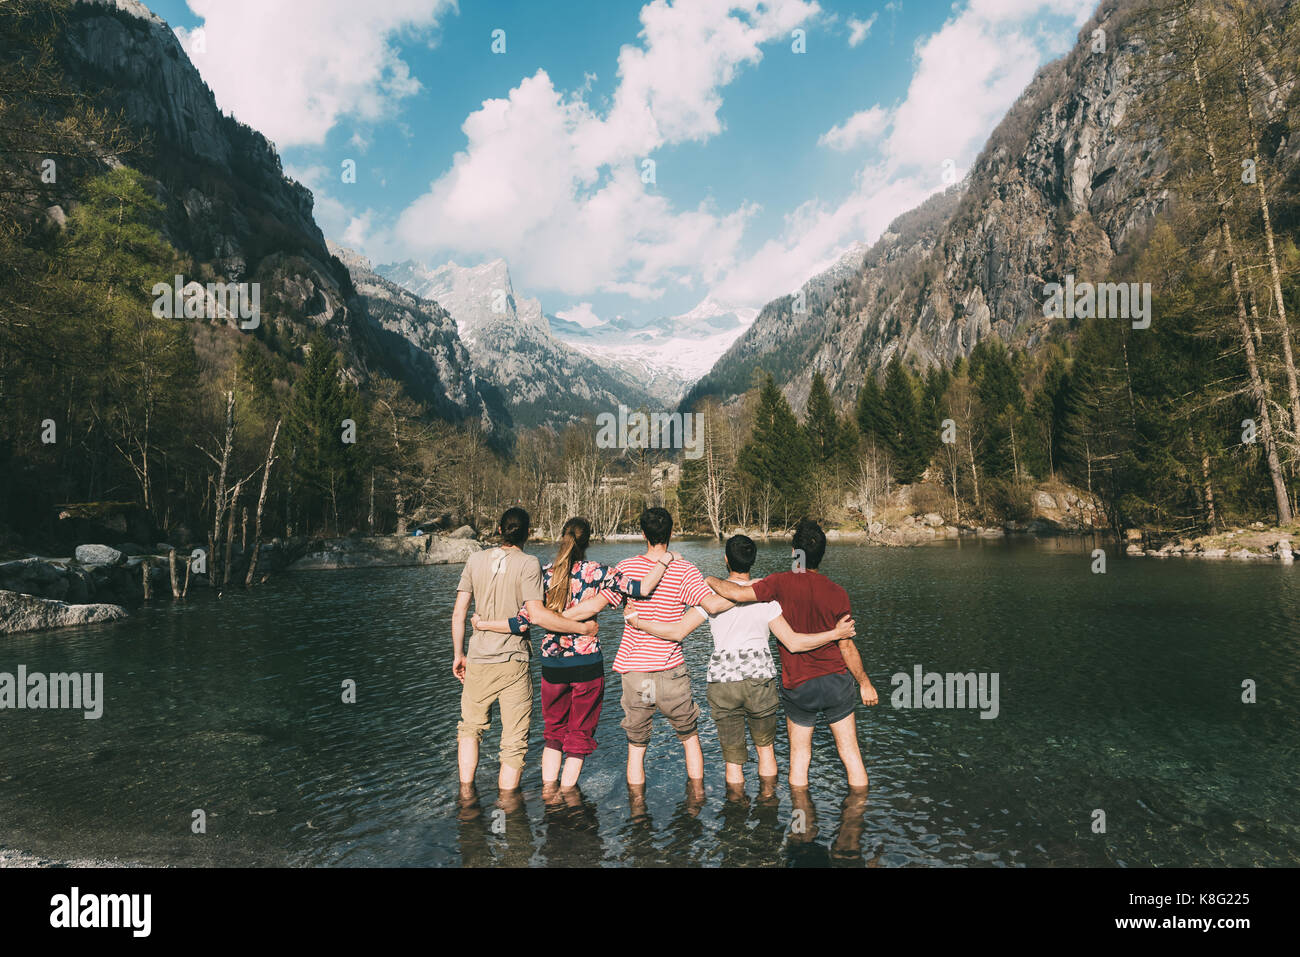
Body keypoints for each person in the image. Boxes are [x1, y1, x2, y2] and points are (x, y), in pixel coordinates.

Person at [627, 533, 856, 796]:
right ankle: (768, 804)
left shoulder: (711, 596)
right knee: (766, 751)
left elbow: (677, 631)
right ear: (753, 561)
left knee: (733, 760)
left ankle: (736, 812)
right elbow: (792, 642)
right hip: (760, 681)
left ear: (726, 559)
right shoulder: (767, 597)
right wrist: (835, 635)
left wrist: (638, 623)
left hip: (723, 684)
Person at [470, 516, 676, 792]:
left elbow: (519, 623)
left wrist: (482, 624)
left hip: (552, 664)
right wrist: (665, 560)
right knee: (579, 734)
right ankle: (566, 793)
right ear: (588, 541)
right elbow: (643, 588)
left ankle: (547, 791)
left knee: (554, 734)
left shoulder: (542, 574)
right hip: (586, 664)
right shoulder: (598, 572)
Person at [706, 519, 878, 791]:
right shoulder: (838, 593)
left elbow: (734, 592)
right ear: (822, 554)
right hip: (836, 682)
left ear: (794, 553)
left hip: (799, 685)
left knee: (799, 757)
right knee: (850, 753)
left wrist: (705, 577)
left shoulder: (779, 583)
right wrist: (865, 682)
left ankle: (802, 823)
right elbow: (846, 645)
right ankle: (856, 822)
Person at [564, 507, 729, 790]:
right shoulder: (685, 569)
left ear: (643, 535)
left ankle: (637, 811)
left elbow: (595, 606)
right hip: (671, 671)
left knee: (636, 747)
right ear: (671, 533)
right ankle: (697, 801)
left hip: (636, 673)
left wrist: (547, 617)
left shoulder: (626, 568)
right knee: (690, 738)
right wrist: (751, 590)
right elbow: (712, 605)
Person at [449, 507, 597, 796]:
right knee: (513, 743)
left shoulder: (475, 559)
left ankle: (466, 796)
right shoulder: (529, 564)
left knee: (469, 729)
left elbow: (459, 613)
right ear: (527, 533)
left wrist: (459, 654)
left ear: (499, 529)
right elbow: (537, 616)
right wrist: (581, 629)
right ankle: (507, 805)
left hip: (478, 657)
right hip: (513, 662)